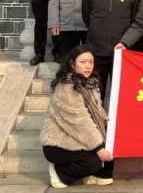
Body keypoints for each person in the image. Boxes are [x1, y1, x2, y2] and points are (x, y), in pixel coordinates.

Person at [40, 45, 114, 188]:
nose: (88, 66)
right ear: (72, 63)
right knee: (94, 161)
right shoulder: (66, 87)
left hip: (82, 136)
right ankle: (59, 172)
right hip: (60, 141)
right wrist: (99, 148)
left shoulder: (90, 83)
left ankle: (96, 175)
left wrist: (104, 118)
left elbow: (97, 110)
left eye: (91, 62)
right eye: (83, 62)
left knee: (110, 150)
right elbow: (79, 121)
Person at [80, 0, 140, 100]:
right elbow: (86, 16)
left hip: (121, 51)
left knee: (121, 94)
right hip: (96, 50)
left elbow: (134, 19)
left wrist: (125, 42)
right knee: (95, 94)